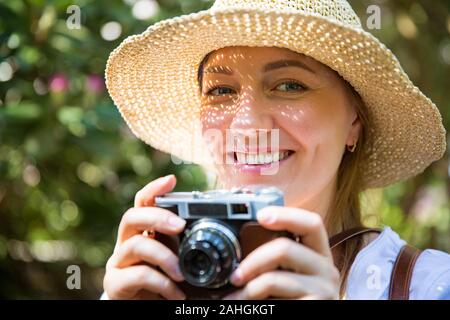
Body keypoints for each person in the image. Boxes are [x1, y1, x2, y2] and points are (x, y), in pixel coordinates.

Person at [102, 0, 449, 299]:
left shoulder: (430, 285)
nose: (247, 126)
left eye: (290, 85)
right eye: (220, 90)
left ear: (354, 122)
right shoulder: (164, 275)